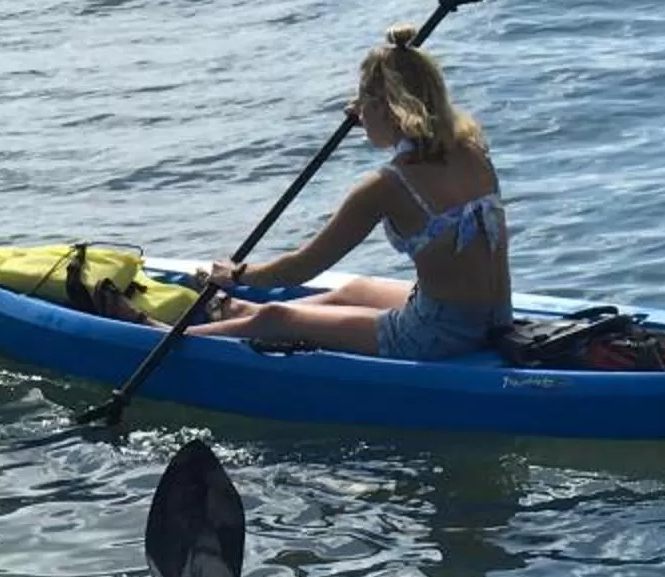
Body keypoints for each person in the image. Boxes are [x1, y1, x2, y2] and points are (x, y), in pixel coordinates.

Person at [190, 28, 513, 362]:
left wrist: (237, 274)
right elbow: (425, 148)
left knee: (277, 319)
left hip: (436, 337)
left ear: (386, 109)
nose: (358, 112)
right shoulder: (473, 149)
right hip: (496, 319)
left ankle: (167, 337)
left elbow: (301, 268)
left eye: (363, 103)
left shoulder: (387, 186)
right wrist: (379, 119)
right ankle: (242, 309)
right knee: (356, 290)